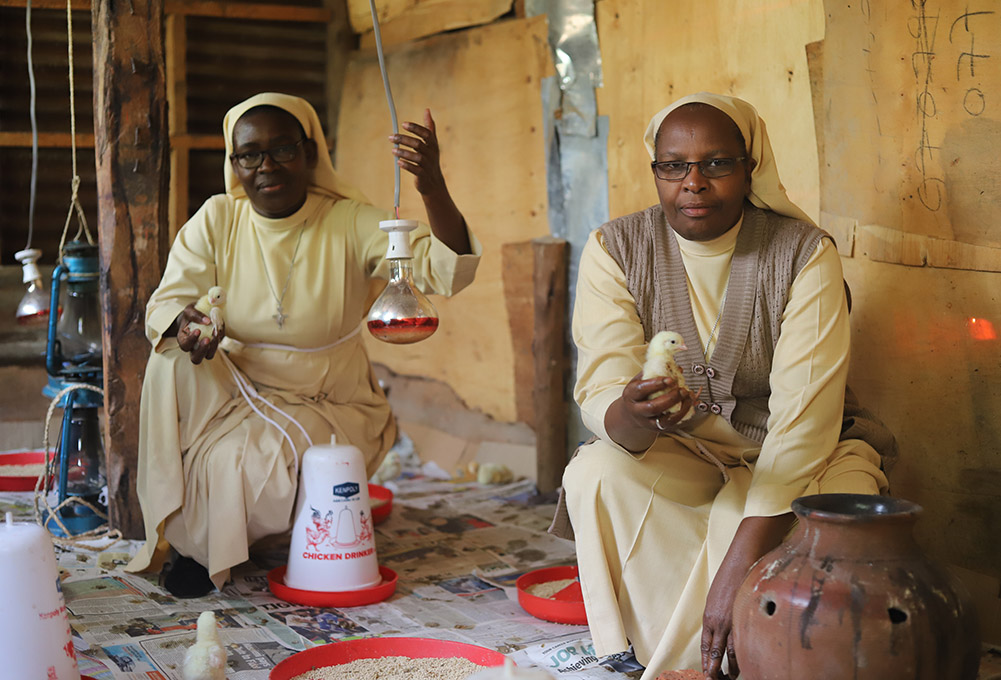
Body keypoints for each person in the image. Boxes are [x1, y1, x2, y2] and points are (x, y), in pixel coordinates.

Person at [551, 93, 897, 680]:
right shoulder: (616, 248)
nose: (693, 183)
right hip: (691, 451)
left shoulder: (804, 254)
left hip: (808, 455)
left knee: (776, 513)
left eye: (717, 163)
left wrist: (738, 568)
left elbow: (804, 425)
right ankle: (679, 660)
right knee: (595, 472)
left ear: (749, 167)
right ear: (655, 169)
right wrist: (635, 411)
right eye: (673, 166)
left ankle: (728, 651)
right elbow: (603, 388)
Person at [125, 92, 480, 597]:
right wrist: (186, 322)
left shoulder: (351, 221)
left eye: (283, 149)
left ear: (311, 153)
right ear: (234, 163)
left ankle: (209, 549)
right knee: (168, 361)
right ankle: (192, 545)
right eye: (250, 154)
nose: (266, 165)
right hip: (236, 387)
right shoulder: (218, 219)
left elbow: (447, 269)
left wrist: (432, 186)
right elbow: (166, 303)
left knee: (237, 463)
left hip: (328, 396)